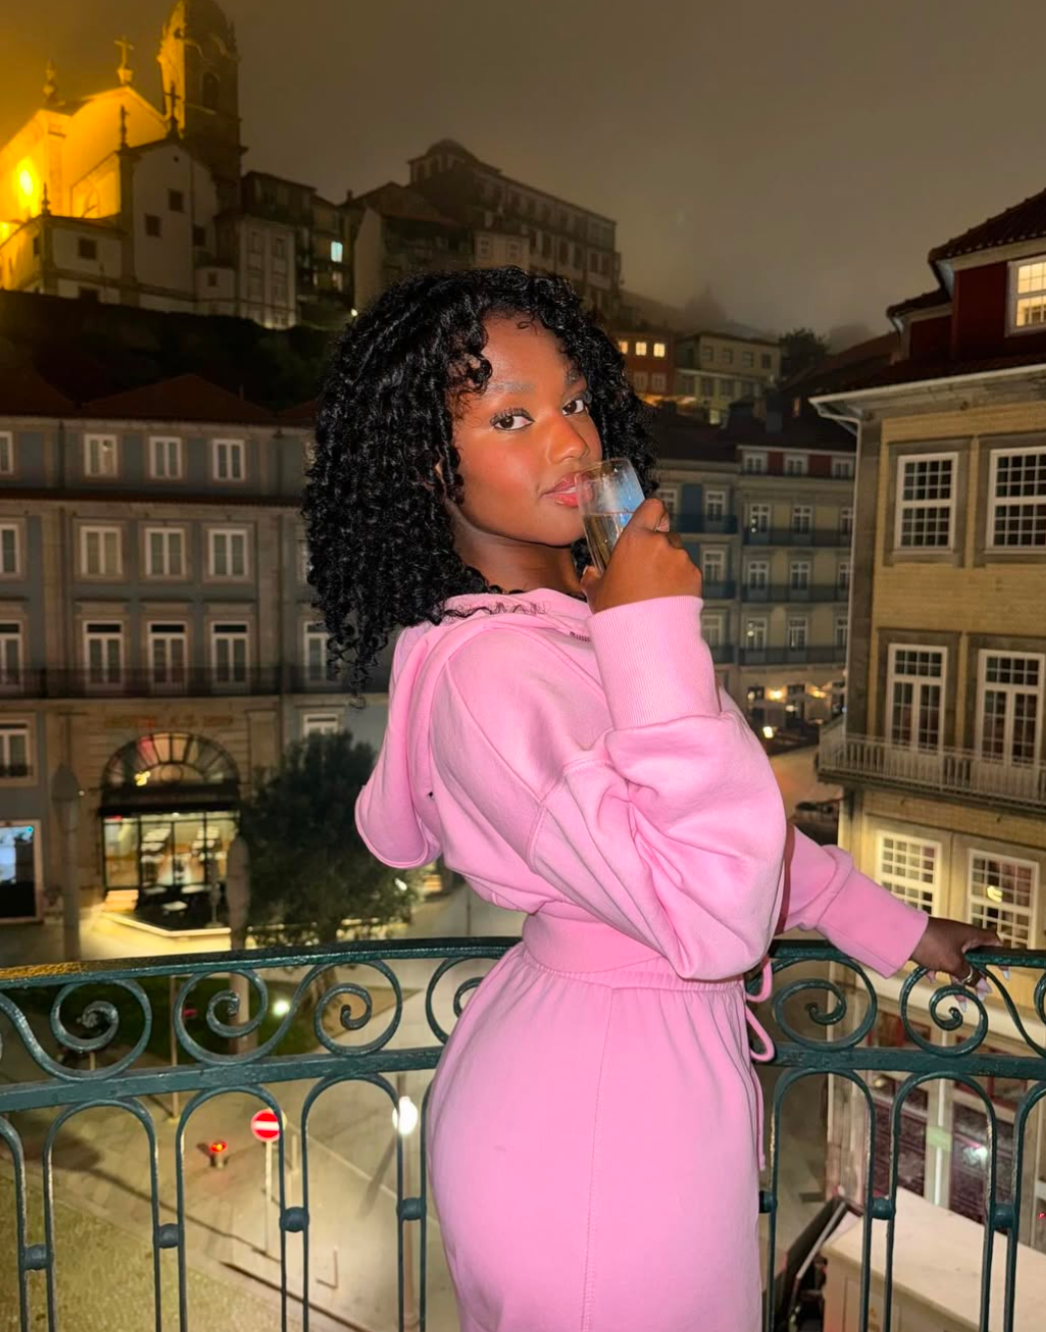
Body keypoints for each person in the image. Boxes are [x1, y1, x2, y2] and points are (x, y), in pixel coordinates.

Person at [303, 266, 999, 1332]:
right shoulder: (498, 676)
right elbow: (713, 914)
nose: (571, 441)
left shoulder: (561, 635)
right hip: (599, 1128)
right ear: (426, 462)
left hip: (623, 1087)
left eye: (577, 401)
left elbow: (737, 841)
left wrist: (897, 929)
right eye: (511, 417)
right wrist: (649, 629)